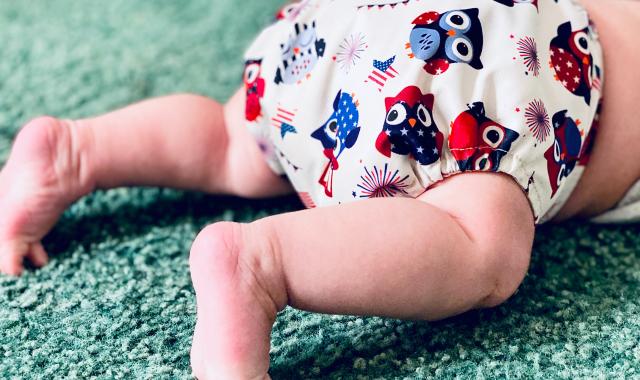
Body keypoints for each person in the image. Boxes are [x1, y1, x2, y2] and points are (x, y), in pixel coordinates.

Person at [0, 0, 638, 378]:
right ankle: (265, 265)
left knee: (234, 142)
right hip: (500, 80)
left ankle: (78, 151)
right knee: (484, 244)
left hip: (348, 28)